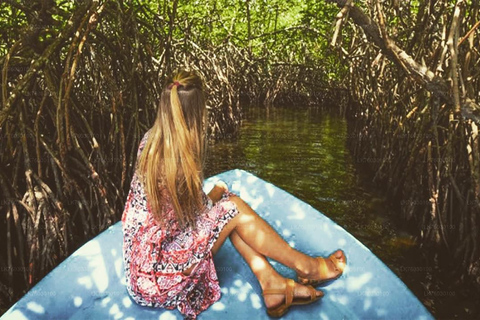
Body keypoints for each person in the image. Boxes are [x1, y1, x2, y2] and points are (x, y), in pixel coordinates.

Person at [122, 70, 346, 319]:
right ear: (197, 113)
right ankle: (308, 267)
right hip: (161, 281)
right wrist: (215, 196)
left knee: (228, 208)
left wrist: (214, 197)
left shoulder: (151, 142)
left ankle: (271, 283)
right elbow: (194, 215)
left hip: (142, 272)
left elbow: (179, 218)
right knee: (234, 208)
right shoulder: (176, 161)